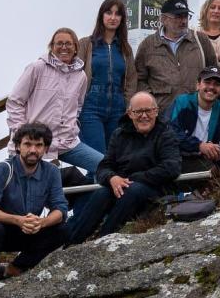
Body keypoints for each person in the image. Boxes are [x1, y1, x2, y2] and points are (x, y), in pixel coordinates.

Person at [67, 91, 181, 245]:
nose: (144, 116)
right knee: (102, 193)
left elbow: (172, 167)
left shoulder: (166, 133)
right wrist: (111, 178)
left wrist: (133, 180)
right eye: (138, 112)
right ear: (129, 114)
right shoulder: (119, 134)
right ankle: (73, 243)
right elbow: (104, 167)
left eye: (148, 110)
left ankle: (104, 240)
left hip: (155, 189)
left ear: (156, 111)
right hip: (122, 188)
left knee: (133, 190)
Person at [0, 123, 69, 280]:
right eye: (27, 144)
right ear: (18, 146)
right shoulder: (4, 168)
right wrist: (18, 220)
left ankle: (16, 267)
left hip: (29, 230)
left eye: (39, 145)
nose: (33, 150)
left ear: (45, 149)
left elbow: (60, 208)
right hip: (1, 230)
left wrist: (42, 223)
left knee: (63, 229)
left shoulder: (51, 172)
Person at [7, 27, 103, 175]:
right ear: (52, 47)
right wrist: (22, 133)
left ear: (76, 48)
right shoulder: (37, 68)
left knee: (105, 166)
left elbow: (77, 106)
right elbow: (15, 101)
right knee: (30, 188)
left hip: (67, 143)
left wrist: (72, 127)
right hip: (35, 144)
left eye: (68, 43)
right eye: (59, 43)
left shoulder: (81, 76)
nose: (64, 47)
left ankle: (94, 199)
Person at [134, 0, 216, 117]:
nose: (183, 21)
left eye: (185, 16)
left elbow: (214, 72)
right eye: (177, 17)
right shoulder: (148, 45)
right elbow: (139, 79)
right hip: (161, 115)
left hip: (196, 112)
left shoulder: (200, 40)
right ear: (163, 19)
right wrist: (151, 102)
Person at [79, 0, 138, 156]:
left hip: (118, 108)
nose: (113, 17)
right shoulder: (86, 44)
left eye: (117, 14)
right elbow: (74, 76)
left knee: (114, 157)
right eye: (108, 13)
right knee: (97, 157)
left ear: (122, 19)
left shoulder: (125, 49)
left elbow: (131, 80)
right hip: (91, 106)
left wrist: (128, 106)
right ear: (101, 16)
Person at [168, 66, 220, 184]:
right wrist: (199, 146)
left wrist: (217, 153)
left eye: (217, 84)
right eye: (207, 82)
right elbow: (170, 135)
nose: (211, 87)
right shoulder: (182, 102)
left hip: (208, 162)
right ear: (198, 85)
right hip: (180, 159)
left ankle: (207, 190)